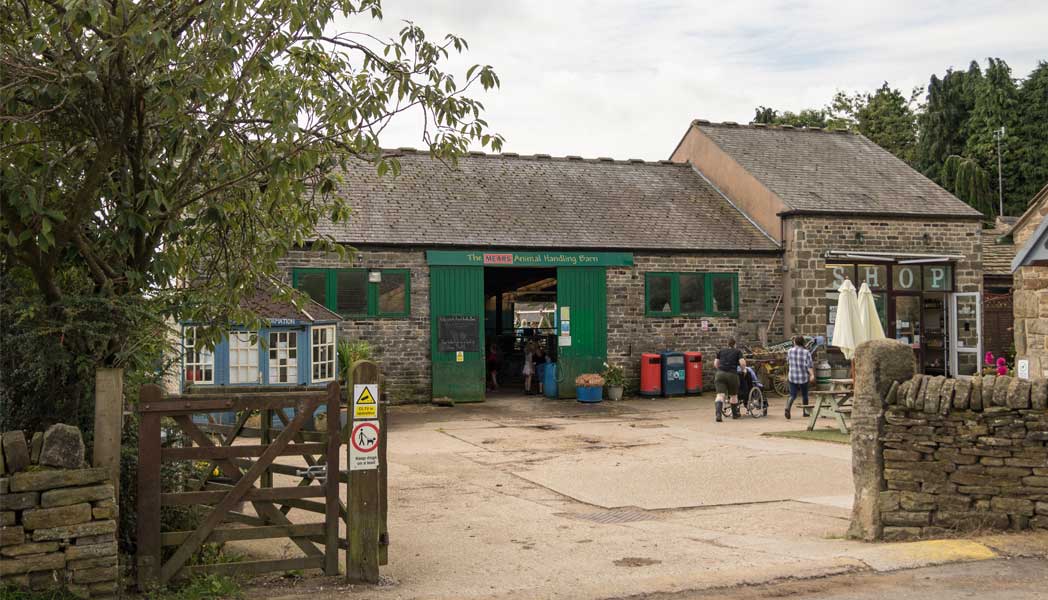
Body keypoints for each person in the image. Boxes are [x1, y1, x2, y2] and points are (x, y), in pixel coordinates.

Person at [714, 338, 746, 421]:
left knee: (720, 395)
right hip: (732, 375)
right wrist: (743, 370)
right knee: (733, 395)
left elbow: (716, 364)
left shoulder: (720, 351)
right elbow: (742, 363)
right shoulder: (737, 351)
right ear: (735, 344)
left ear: (727, 344)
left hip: (720, 374)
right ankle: (735, 415)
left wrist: (720, 369)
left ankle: (718, 415)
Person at [785, 335, 814, 419]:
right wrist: (812, 375)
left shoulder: (790, 351)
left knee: (792, 395)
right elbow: (809, 366)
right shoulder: (806, 352)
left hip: (792, 376)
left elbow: (788, 362)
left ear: (795, 342)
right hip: (803, 377)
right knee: (805, 395)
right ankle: (805, 412)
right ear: (802, 342)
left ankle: (787, 408)